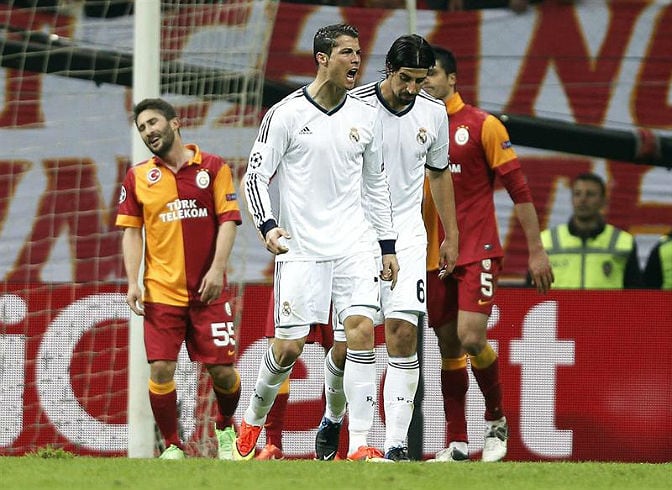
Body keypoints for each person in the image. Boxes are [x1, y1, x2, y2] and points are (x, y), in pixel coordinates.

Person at [236, 23, 399, 462]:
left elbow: (376, 185)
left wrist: (387, 246)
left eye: (359, 53)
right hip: (302, 248)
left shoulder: (365, 117)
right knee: (287, 348)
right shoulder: (286, 114)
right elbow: (255, 175)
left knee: (361, 333)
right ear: (322, 58)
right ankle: (252, 416)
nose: (356, 61)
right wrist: (268, 225)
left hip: (354, 244)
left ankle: (361, 441)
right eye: (347, 53)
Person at [314, 34, 459, 463]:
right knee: (349, 342)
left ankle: (390, 443)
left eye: (421, 80)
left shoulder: (434, 114)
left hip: (409, 236)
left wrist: (449, 233)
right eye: (405, 79)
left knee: (404, 335)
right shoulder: (353, 105)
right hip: (357, 234)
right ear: (387, 70)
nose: (412, 89)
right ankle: (333, 414)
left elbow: (439, 175)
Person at [422, 47, 554, 462]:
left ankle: (496, 419)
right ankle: (458, 441)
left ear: (452, 79)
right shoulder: (416, 128)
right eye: (420, 76)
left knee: (471, 336)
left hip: (477, 247)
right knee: (447, 346)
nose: (425, 82)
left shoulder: (483, 125)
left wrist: (536, 251)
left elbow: (520, 190)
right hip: (430, 253)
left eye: (432, 75)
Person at [116, 98, 243, 460]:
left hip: (208, 291)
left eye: (153, 122)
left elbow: (229, 220)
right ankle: (172, 445)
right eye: (142, 128)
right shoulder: (139, 177)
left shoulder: (214, 167)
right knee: (160, 368)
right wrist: (133, 282)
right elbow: (131, 232)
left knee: (222, 372)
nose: (148, 131)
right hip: (162, 292)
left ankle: (224, 426)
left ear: (175, 123)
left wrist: (218, 268)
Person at [255, 293, 334, 460]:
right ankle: (273, 444)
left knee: (338, 358)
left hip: (336, 275)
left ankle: (330, 448)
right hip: (292, 272)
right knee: (280, 354)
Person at [539, 172, 642, 289]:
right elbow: (530, 292)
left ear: (603, 201)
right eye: (577, 194)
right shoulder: (545, 241)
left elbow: (636, 295)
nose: (583, 199)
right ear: (571, 199)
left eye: (590, 194)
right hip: (561, 307)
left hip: (606, 308)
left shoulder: (624, 242)